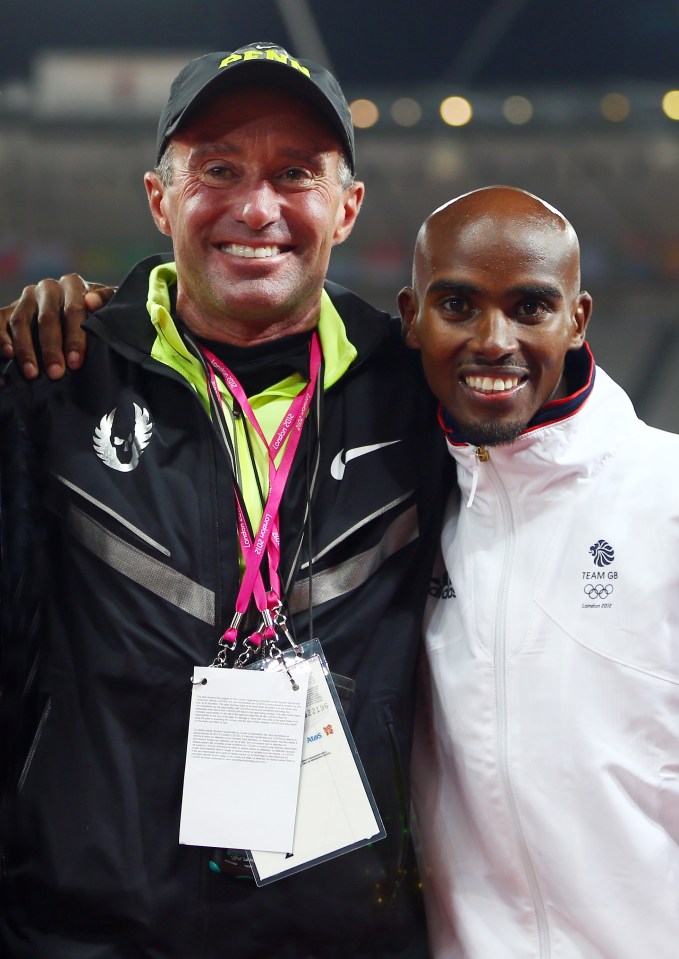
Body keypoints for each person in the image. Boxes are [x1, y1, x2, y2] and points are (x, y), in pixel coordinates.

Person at [0, 42, 449, 958]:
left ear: (346, 206)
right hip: (90, 935)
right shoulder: (54, 378)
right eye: (218, 169)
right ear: (159, 196)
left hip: (342, 938)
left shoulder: (416, 395)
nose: (257, 207)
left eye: (295, 174)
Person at [399, 186, 679, 958]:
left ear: (576, 318)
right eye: (457, 304)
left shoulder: (666, 494)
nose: (494, 340)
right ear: (410, 316)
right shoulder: (398, 501)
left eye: (529, 307)